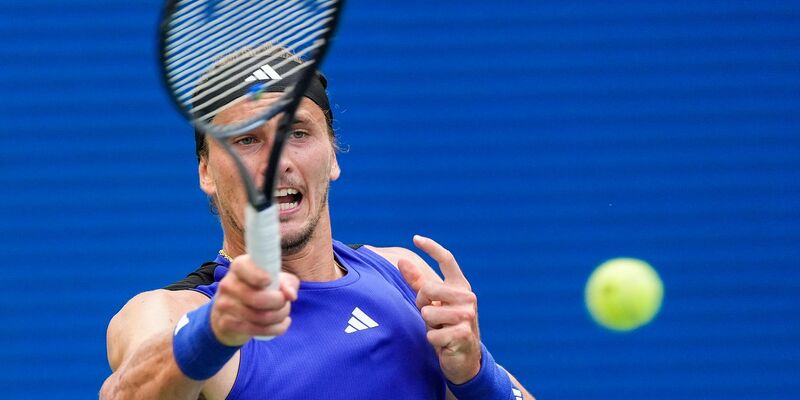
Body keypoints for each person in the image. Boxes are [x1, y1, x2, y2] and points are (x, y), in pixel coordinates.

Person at [100, 46, 534, 399]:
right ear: (206, 172)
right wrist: (212, 333)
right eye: (246, 139)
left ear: (333, 156)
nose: (277, 162)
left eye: (298, 133)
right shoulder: (171, 312)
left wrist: (478, 376)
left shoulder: (403, 276)